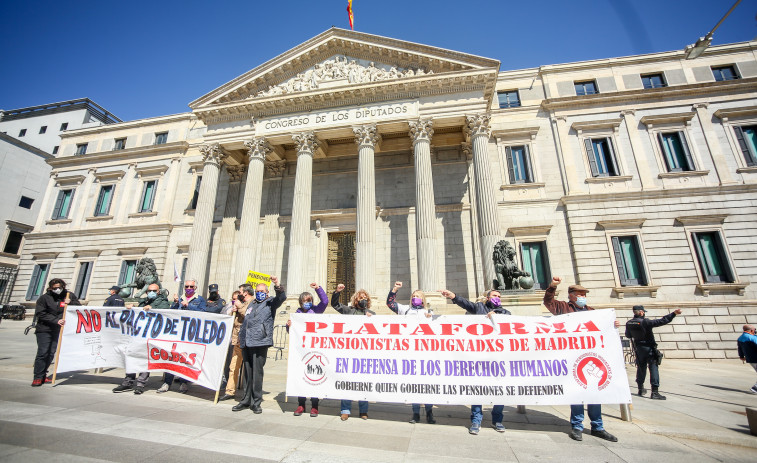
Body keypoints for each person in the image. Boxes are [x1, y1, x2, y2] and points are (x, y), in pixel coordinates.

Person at [544, 276, 618, 443]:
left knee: (594, 394)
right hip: (572, 358)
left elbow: (603, 329)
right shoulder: (562, 307)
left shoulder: (592, 311)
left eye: (584, 294)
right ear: (571, 295)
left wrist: (613, 326)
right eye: (579, 294)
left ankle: (597, 426)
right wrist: (552, 287)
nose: (582, 296)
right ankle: (577, 426)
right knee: (577, 393)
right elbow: (548, 302)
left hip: (591, 357)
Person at [440, 287, 510, 435]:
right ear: (488, 298)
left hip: (497, 359)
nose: (497, 298)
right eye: (494, 296)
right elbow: (465, 304)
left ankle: (497, 419)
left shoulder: (505, 312)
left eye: (499, 296)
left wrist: (496, 314)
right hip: (479, 358)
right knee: (477, 389)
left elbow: (509, 324)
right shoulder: (479, 308)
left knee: (500, 390)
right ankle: (476, 420)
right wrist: (453, 295)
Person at [232, 276, 286, 413]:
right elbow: (247, 319)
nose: (259, 293)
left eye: (262, 291)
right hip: (247, 342)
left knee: (257, 373)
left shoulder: (270, 302)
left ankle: (256, 402)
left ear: (267, 292)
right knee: (247, 373)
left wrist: (277, 285)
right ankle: (245, 400)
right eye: (257, 291)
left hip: (260, 341)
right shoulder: (252, 303)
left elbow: (281, 297)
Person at [388, 281, 436, 425]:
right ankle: (415, 413)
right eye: (414, 296)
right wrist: (395, 289)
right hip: (410, 353)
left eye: (418, 296)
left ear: (423, 299)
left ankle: (429, 412)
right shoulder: (405, 310)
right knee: (414, 385)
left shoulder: (429, 313)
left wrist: (431, 319)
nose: (416, 298)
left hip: (426, 354)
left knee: (427, 385)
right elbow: (390, 304)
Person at [114, 283, 171, 394]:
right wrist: (132, 309)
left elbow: (165, 311)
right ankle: (128, 382)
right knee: (131, 356)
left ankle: (140, 384)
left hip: (150, 335)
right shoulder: (143, 301)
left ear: (158, 291)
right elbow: (138, 314)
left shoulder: (163, 301)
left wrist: (153, 308)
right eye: (149, 291)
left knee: (144, 359)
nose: (151, 293)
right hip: (137, 334)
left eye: (154, 290)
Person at [332, 284, 375, 420]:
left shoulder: (372, 314)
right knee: (347, 382)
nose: (363, 299)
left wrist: (372, 320)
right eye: (360, 297)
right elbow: (335, 305)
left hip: (365, 354)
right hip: (349, 353)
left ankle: (363, 410)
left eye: (365, 298)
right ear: (356, 299)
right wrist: (337, 292)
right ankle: (345, 410)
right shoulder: (348, 310)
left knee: (363, 384)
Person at [286, 282, 328, 417]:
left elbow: (325, 301)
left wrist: (318, 289)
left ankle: (314, 405)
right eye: (305, 301)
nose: (307, 303)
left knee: (314, 376)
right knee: (301, 376)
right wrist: (289, 326)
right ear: (300, 302)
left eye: (309, 300)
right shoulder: (296, 315)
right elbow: (292, 331)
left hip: (314, 349)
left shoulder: (316, 311)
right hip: (301, 351)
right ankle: (301, 404)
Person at [31, 279, 81, 386]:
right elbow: (40, 313)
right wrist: (55, 320)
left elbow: (78, 307)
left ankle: (44, 374)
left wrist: (71, 302)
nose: (58, 290)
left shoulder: (68, 295)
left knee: (51, 353)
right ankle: (38, 377)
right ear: (50, 288)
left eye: (59, 287)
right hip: (44, 329)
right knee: (43, 352)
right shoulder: (44, 298)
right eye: (55, 288)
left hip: (58, 329)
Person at [625, 305, 682, 399]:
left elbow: (628, 335)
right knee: (653, 368)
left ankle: (640, 389)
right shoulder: (645, 322)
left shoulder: (629, 323)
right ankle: (654, 392)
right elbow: (662, 321)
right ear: (641, 312)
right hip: (649, 348)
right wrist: (674, 314)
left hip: (639, 349)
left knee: (641, 368)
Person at [219, 290, 244, 401]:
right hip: (234, 340)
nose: (235, 301)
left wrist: (240, 309)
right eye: (234, 299)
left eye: (237, 299)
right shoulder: (230, 307)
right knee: (232, 366)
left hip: (245, 340)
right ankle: (229, 390)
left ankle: (247, 392)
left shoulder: (248, 306)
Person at [737, 324, 757, 394]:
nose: (755, 331)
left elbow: (740, 348)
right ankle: (755, 388)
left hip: (750, 359)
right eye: (755, 330)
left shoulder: (740, 338)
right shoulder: (752, 338)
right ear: (751, 330)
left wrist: (741, 356)